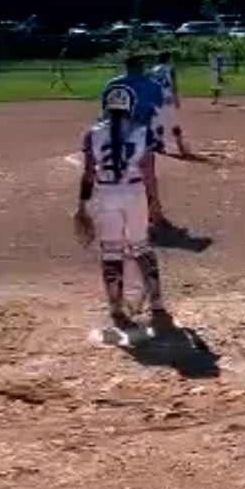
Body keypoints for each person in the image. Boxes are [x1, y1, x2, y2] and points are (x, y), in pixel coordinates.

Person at [72, 82, 173, 334]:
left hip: (106, 195)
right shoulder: (142, 131)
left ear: (106, 107)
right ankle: (156, 302)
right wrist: (155, 204)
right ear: (130, 107)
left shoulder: (93, 133)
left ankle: (115, 306)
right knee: (141, 246)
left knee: (111, 252)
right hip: (135, 193)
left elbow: (88, 174)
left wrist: (81, 205)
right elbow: (149, 173)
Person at [103, 53, 169, 227]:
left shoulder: (113, 84)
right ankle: (154, 210)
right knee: (148, 174)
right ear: (141, 67)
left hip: (116, 134)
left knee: (119, 173)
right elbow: (158, 106)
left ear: (127, 66)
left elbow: (105, 112)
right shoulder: (152, 84)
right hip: (141, 134)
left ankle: (119, 212)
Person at [149, 50, 191, 157]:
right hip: (168, 97)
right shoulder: (170, 68)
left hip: (156, 98)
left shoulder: (153, 70)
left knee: (159, 121)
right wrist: (176, 98)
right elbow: (173, 85)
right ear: (167, 59)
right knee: (174, 121)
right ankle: (180, 145)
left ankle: (159, 143)